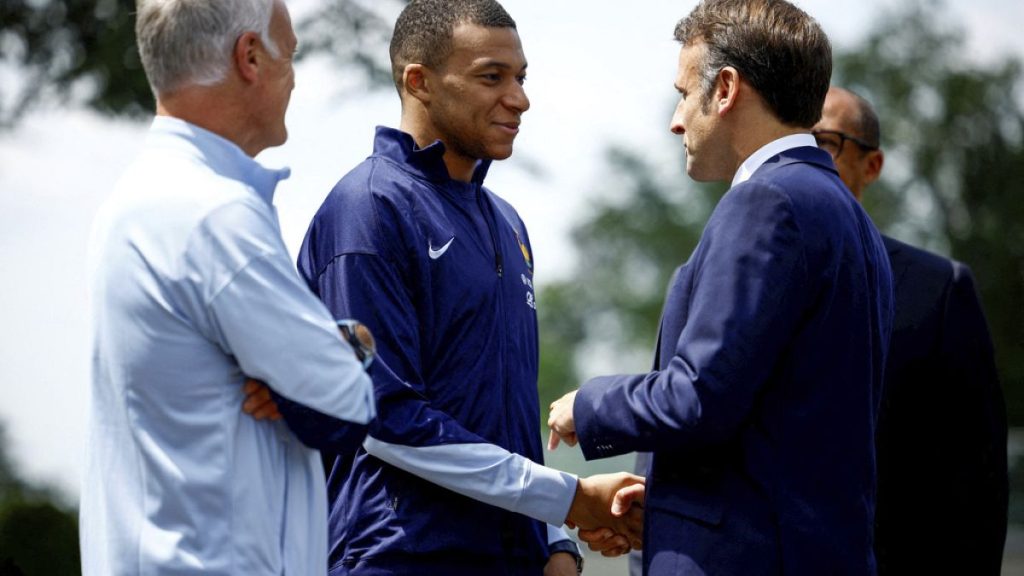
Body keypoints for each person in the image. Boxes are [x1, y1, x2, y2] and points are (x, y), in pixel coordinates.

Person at [266, 1, 642, 574]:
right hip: (398, 556)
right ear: (419, 81)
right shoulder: (368, 208)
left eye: (520, 78)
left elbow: (503, 414)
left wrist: (554, 540)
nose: (518, 98)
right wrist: (568, 498)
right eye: (491, 76)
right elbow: (382, 418)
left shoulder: (507, 222)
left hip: (509, 557)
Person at [547, 0, 895, 574]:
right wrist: (664, 509)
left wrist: (585, 406)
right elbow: (781, 424)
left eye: (684, 92)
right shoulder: (851, 219)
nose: (676, 119)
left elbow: (698, 397)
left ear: (726, 89)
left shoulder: (766, 202)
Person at [80, 0, 376, 573]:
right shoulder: (217, 215)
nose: (293, 77)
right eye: (289, 55)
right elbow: (345, 404)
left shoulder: (137, 201)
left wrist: (316, 354)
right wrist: (348, 346)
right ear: (249, 57)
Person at [813, 86, 1008, 575]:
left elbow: (976, 483)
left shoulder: (939, 290)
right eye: (797, 141)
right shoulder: (728, 281)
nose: (807, 158)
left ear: (871, 166)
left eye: (827, 142)